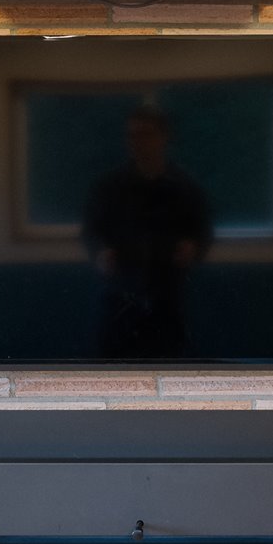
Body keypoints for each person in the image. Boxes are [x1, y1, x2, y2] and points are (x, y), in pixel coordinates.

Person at [79, 105, 213, 359]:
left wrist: (193, 247)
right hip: (120, 295)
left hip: (167, 296)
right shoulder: (108, 187)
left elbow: (203, 232)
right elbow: (91, 231)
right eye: (132, 135)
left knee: (168, 366)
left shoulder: (185, 188)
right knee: (111, 369)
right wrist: (100, 253)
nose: (137, 141)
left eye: (146, 134)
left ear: (164, 138)